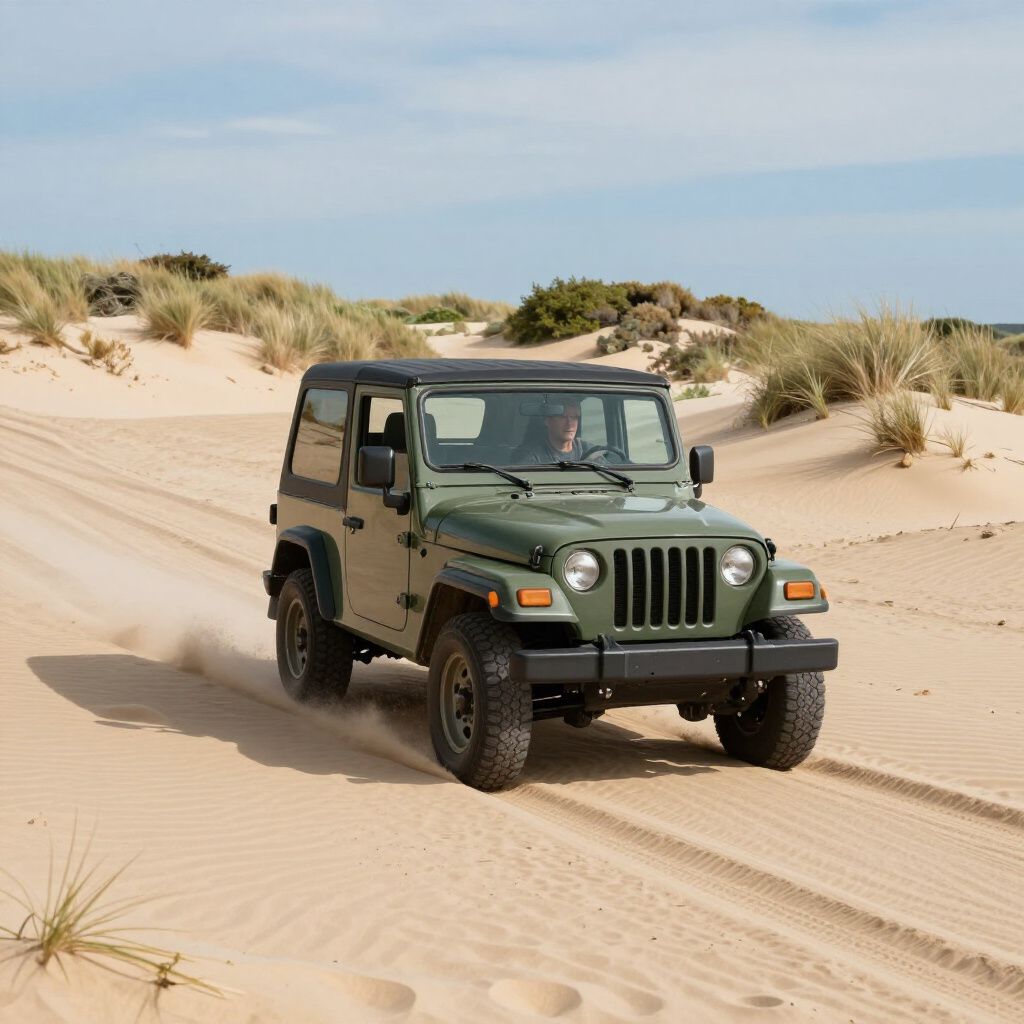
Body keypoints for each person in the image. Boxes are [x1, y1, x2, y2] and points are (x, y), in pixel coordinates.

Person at [513, 398, 590, 464]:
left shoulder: (587, 450)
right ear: (547, 421)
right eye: (562, 417)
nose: (569, 424)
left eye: (574, 417)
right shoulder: (533, 456)